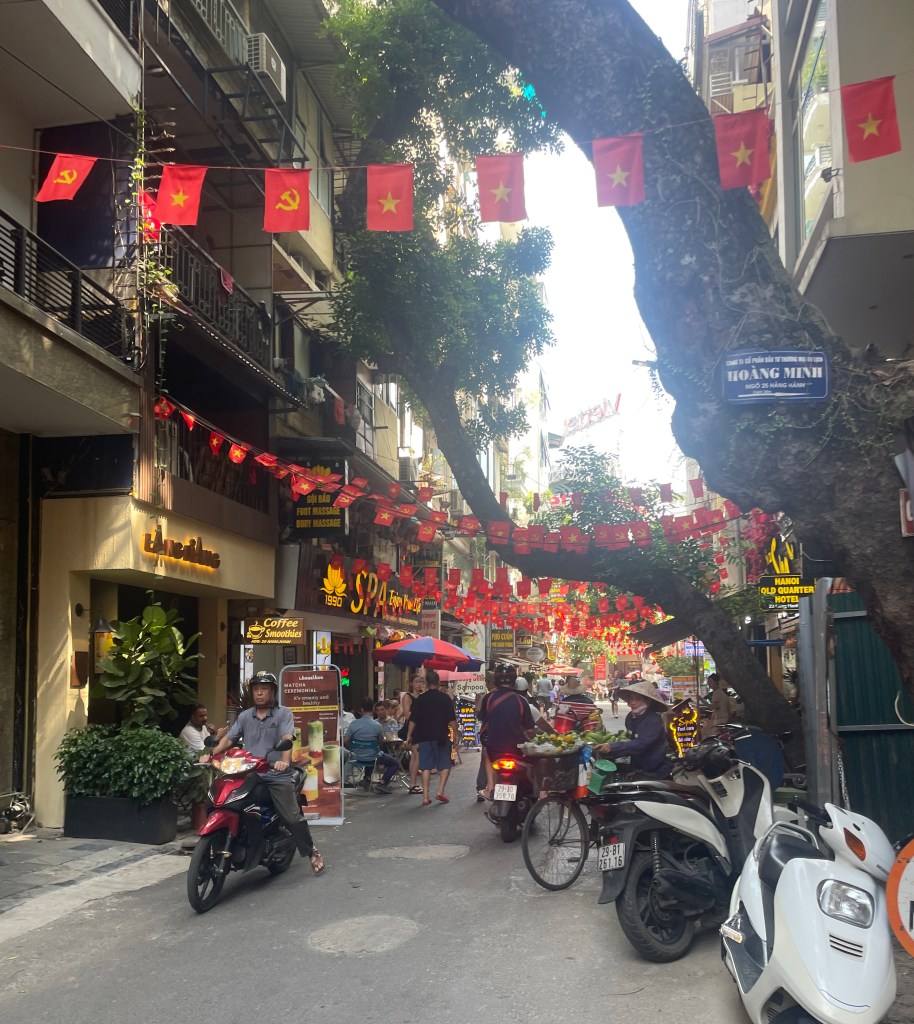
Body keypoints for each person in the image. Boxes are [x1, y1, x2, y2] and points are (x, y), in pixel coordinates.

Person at [204, 672, 324, 874]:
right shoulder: (245, 716)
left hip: (276, 774)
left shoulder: (283, 713)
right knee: (223, 799)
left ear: (272, 692)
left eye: (264, 689)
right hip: (250, 773)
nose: (259, 693)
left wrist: (284, 762)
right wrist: (211, 755)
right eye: (256, 689)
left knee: (292, 817)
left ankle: (311, 851)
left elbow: (287, 737)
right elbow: (229, 739)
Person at [478, 664, 536, 799]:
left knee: (487, 755)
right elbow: (530, 730)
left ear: (496, 680)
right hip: (517, 748)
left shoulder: (488, 698)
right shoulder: (521, 701)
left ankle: (490, 788)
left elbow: (483, 719)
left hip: (494, 747)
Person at [594, 679, 671, 779]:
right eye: (631, 698)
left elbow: (641, 744)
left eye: (637, 699)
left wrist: (613, 747)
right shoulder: (630, 717)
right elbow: (631, 741)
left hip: (654, 770)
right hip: (637, 766)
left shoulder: (653, 720)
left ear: (647, 701)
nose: (632, 702)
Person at [404, 670, 457, 805]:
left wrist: (409, 736)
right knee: (445, 764)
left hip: (424, 737)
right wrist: (457, 734)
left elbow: (413, 720)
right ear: (438, 682)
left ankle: (425, 797)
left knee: (426, 766)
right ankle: (440, 791)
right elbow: (452, 719)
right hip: (441, 736)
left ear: (426, 683)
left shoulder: (420, 700)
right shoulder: (445, 698)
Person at [344, 699, 400, 793]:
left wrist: (355, 747)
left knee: (370, 754)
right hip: (373, 757)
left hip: (357, 756)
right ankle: (382, 783)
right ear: (373, 709)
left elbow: (346, 740)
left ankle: (367, 778)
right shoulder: (377, 725)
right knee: (395, 763)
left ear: (362, 710)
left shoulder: (353, 724)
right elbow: (380, 741)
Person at [399, 674, 426, 794]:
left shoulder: (423, 697)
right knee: (417, 756)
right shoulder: (407, 697)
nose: (419, 684)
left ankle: (413, 783)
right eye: (417, 682)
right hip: (411, 728)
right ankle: (413, 784)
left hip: (420, 728)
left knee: (414, 757)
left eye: (421, 682)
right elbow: (407, 715)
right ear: (411, 683)